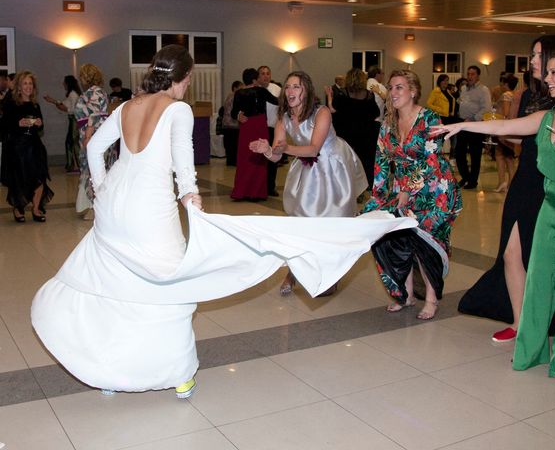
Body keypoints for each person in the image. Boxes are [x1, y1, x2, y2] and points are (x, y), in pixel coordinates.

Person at [31, 46, 416, 397]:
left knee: (121, 285)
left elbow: (95, 147)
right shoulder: (176, 109)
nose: (186, 87)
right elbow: (184, 165)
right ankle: (179, 374)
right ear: (181, 78)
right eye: (188, 80)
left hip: (114, 207)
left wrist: (102, 191)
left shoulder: (129, 105)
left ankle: (112, 371)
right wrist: (192, 201)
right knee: (174, 290)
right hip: (149, 209)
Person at [438, 45, 555, 380]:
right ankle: (533, 347)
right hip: (551, 205)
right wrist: (461, 128)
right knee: (540, 279)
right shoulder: (547, 117)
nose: (548, 79)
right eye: (549, 71)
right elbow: (504, 127)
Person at [249, 70, 368, 296]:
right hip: (307, 166)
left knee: (332, 223)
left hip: (332, 165)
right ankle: (293, 272)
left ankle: (331, 273)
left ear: (306, 91)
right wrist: (267, 150)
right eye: (288, 87)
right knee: (302, 221)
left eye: (296, 86)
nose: (290, 91)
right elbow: (276, 155)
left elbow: (314, 148)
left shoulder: (321, 112)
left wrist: (284, 149)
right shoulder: (283, 117)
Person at [362, 70, 462, 320]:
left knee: (428, 243)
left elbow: (432, 158)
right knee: (400, 240)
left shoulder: (429, 117)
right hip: (403, 190)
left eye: (399, 88)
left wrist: (407, 189)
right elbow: (382, 163)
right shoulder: (388, 124)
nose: (393, 93)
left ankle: (431, 298)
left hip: (435, 189)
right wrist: (376, 199)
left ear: (413, 91)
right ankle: (405, 295)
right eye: (391, 88)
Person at [2, 70, 53, 222]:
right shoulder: (11, 104)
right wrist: (18, 123)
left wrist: (38, 124)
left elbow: (40, 127)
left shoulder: (35, 105)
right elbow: (4, 125)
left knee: (39, 177)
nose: (28, 86)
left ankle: (36, 209)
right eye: (25, 83)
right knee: (19, 178)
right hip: (17, 147)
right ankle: (18, 208)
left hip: (34, 146)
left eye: (30, 83)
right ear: (18, 86)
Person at [74, 64, 117, 220]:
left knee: (94, 171)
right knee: (96, 170)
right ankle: (93, 205)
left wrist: (87, 136)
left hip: (93, 136)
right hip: (97, 135)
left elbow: (94, 115)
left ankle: (95, 207)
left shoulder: (94, 92)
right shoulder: (98, 92)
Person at [230, 67, 279, 200]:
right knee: (259, 158)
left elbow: (233, 112)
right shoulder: (261, 91)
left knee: (245, 159)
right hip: (260, 126)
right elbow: (277, 101)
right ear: (254, 79)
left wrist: (239, 115)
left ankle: (242, 191)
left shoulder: (239, 93)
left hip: (246, 127)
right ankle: (256, 192)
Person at [330, 68, 379, 190]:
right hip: (365, 134)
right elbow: (376, 113)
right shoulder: (369, 95)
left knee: (347, 162)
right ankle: (363, 187)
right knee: (364, 162)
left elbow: (334, 110)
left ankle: (347, 187)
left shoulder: (342, 94)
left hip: (346, 134)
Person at [455, 65, 492, 189]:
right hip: (462, 123)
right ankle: (465, 176)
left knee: (475, 154)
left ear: (478, 76)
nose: (470, 76)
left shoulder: (483, 90)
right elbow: (462, 101)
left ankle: (473, 181)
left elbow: (486, 109)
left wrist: (472, 118)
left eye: (473, 74)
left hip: (475, 125)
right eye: (468, 74)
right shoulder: (464, 88)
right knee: (459, 152)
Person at [44, 75, 81, 173]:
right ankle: (73, 165)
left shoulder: (73, 94)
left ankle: (77, 166)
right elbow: (63, 105)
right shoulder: (72, 94)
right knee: (70, 142)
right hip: (72, 120)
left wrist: (57, 104)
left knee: (72, 142)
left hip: (74, 120)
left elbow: (71, 109)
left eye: (64, 82)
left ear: (68, 83)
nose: (63, 84)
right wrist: (53, 101)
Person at [257, 65, 282, 196]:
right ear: (258, 76)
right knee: (258, 160)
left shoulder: (277, 89)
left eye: (268, 73)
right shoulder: (254, 90)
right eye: (262, 73)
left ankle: (271, 187)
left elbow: (283, 108)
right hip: (258, 129)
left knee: (272, 160)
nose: (265, 76)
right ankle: (258, 187)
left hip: (273, 129)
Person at [493, 73, 519, 193]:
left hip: (504, 128)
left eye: (502, 83)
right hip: (511, 128)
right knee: (508, 157)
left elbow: (506, 113)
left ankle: (503, 181)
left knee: (500, 155)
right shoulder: (516, 94)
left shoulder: (506, 95)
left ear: (506, 84)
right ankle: (509, 183)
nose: (501, 85)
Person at [221, 80, 243, 166]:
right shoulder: (235, 97)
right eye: (240, 88)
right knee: (234, 145)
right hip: (233, 124)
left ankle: (230, 161)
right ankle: (233, 161)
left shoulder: (229, 96)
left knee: (229, 145)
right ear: (235, 88)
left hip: (227, 124)